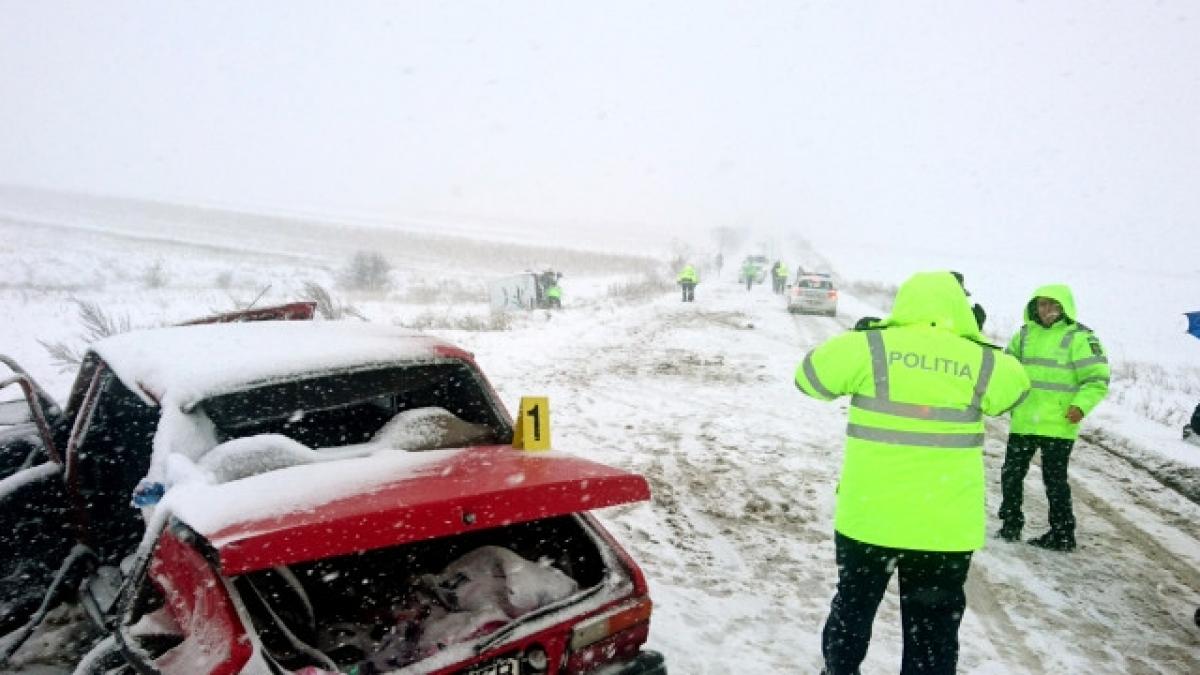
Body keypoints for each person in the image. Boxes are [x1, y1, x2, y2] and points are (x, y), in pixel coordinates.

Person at [794, 271, 1029, 675]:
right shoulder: (983, 359)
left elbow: (808, 379)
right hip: (943, 526)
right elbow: (1017, 390)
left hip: (870, 519)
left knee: (852, 610)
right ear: (960, 307)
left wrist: (858, 337)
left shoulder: (870, 347)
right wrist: (974, 342)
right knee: (933, 629)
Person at [998, 284, 1110, 552]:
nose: (1046, 310)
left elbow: (1096, 380)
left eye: (1052, 304)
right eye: (1042, 304)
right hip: (1024, 421)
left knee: (1054, 480)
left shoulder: (1081, 338)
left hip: (1060, 424)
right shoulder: (1024, 335)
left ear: (1064, 307)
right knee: (1011, 475)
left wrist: (1080, 407)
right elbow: (1007, 371)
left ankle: (1062, 534)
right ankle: (1010, 524)